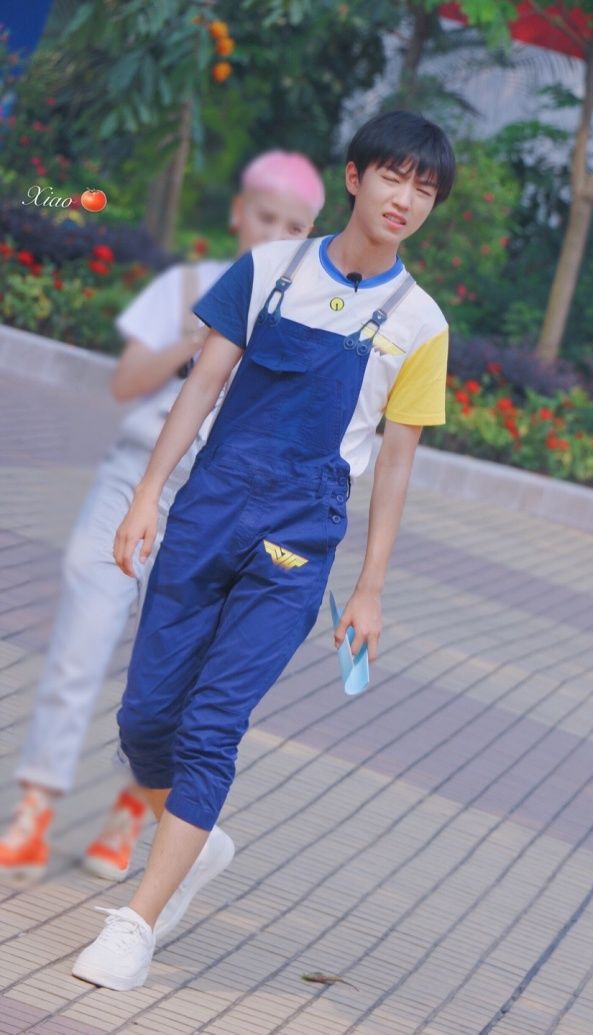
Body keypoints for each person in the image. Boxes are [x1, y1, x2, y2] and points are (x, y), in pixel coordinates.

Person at [71, 109, 456, 992]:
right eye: (394, 177)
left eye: (426, 189)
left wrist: (371, 589)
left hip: (297, 540)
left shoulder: (421, 323)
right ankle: (197, 837)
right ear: (355, 177)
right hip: (208, 509)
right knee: (146, 720)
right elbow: (203, 383)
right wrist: (147, 494)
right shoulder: (269, 269)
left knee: (212, 723)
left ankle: (138, 923)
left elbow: (396, 464)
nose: (406, 199)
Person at [0, 151, 325, 883]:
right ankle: (34, 810)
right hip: (132, 480)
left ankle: (126, 816)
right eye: (265, 216)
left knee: (169, 670)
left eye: (295, 226)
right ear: (238, 212)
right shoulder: (187, 286)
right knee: (83, 638)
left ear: (311, 235)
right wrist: (201, 340)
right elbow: (126, 381)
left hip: (214, 504)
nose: (275, 233)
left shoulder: (311, 317)